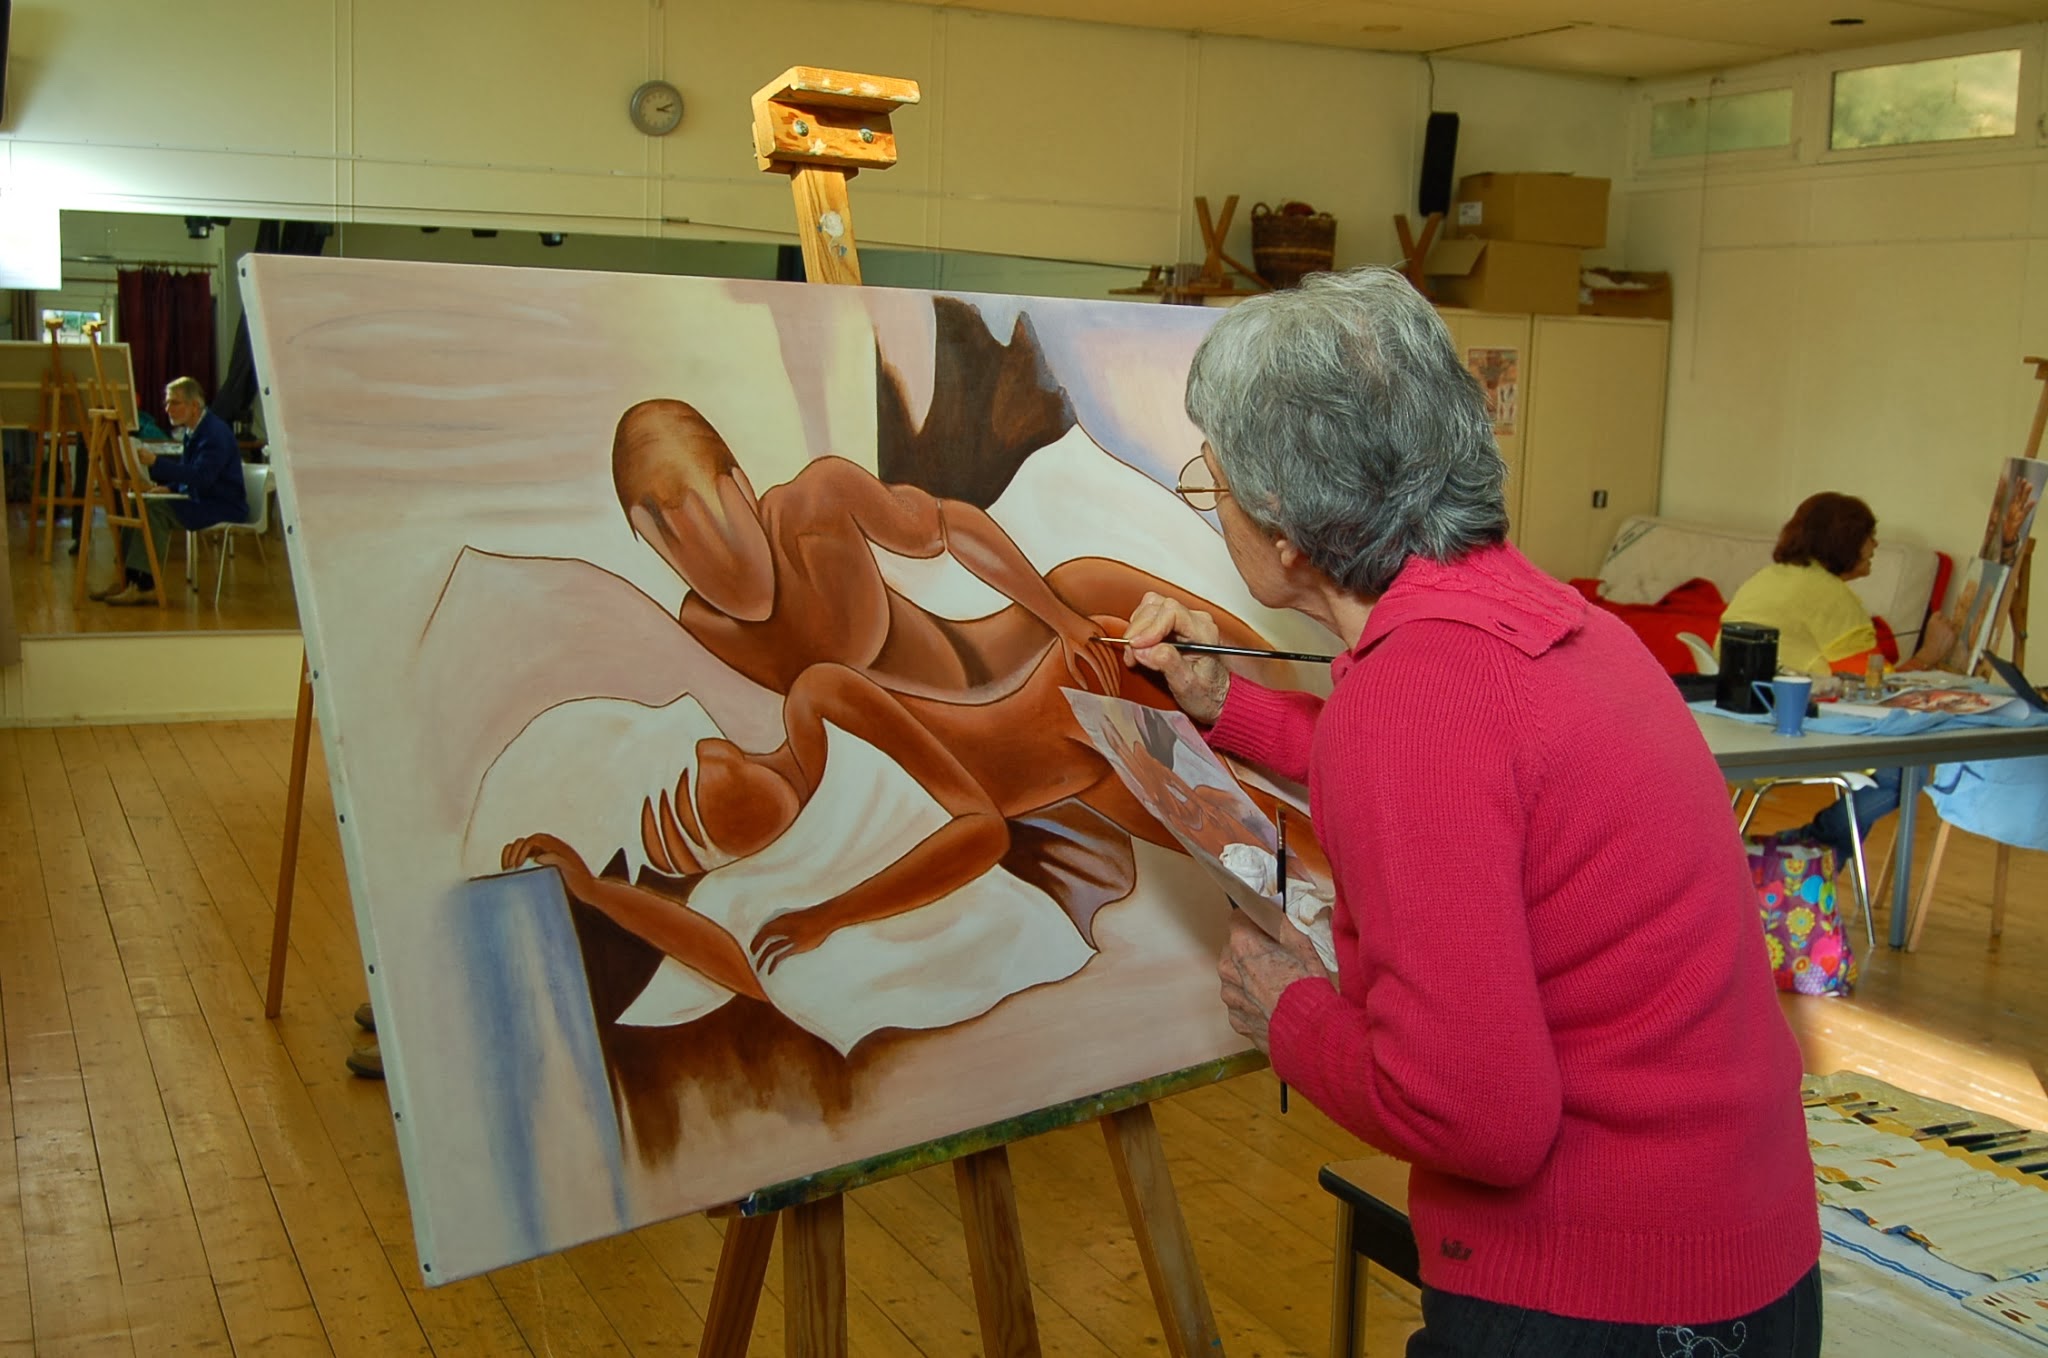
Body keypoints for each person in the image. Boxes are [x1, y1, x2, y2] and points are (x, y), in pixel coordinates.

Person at [1122, 267, 1821, 1357]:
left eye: (1211, 486)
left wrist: (1288, 1012)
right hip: (1738, 1262)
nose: (1213, 514)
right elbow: (1463, 797)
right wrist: (1226, 705)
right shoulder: (1542, 623)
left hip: (1604, 1299)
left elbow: (1473, 1115)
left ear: (1285, 529)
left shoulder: (1415, 698)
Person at [1719, 493, 1954, 860]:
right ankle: (1809, 844)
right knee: (1905, 772)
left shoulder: (1767, 578)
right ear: (1845, 540)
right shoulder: (1829, 596)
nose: (1875, 545)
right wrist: (1929, 655)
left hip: (1738, 726)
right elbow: (1877, 691)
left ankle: (1812, 862)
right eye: (1869, 535)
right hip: (1788, 728)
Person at [94, 376, 248, 605]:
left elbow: (202, 478)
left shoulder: (215, 434)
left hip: (221, 505)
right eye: (166, 403)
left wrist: (156, 463)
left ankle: (145, 586)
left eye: (174, 403)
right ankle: (127, 579)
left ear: (194, 406)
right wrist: (168, 487)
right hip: (203, 498)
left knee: (155, 510)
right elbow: (191, 472)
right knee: (139, 504)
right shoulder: (194, 430)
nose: (168, 409)